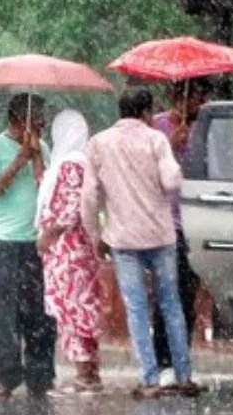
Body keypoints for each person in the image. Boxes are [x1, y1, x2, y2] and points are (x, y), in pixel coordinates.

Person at [82, 87, 204, 399]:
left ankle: (149, 379)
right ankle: (183, 375)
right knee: (171, 304)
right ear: (147, 112)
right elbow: (172, 182)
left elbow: (89, 198)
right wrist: (173, 158)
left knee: (137, 309)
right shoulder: (156, 139)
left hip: (123, 239)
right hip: (161, 236)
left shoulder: (98, 143)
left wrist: (96, 236)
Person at [0, 93, 56, 398]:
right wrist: (19, 159)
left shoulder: (43, 148)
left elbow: (46, 187)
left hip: (35, 242)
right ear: (16, 121)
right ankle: (6, 375)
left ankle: (41, 374)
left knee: (40, 313)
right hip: (5, 243)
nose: (41, 126)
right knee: (7, 312)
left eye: (43, 121)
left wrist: (36, 156)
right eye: (36, 121)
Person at [35, 109, 102, 394]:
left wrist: (50, 234)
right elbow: (49, 189)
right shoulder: (72, 164)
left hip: (68, 250)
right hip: (76, 249)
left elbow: (71, 208)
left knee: (73, 310)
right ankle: (88, 372)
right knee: (80, 307)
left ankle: (85, 374)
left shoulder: (71, 165)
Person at [150, 78, 212, 373]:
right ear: (178, 96)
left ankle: (180, 359)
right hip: (164, 222)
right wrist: (171, 148)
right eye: (196, 96)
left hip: (195, 220)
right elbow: (143, 171)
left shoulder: (205, 129)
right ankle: (162, 360)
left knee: (187, 294)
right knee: (165, 293)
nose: (200, 102)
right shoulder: (155, 128)